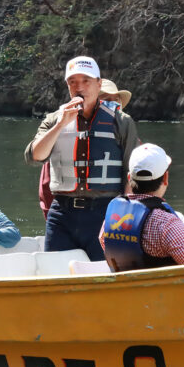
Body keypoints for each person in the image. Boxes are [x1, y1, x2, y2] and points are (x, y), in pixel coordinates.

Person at [25, 56, 139, 260]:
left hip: (105, 212)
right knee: (55, 275)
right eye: (73, 82)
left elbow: (131, 175)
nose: (79, 87)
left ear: (98, 84)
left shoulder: (122, 122)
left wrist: (126, 218)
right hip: (62, 213)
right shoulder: (53, 119)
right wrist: (60, 125)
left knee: (104, 276)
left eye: (86, 81)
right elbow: (35, 157)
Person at [99, 144, 184, 272]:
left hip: (126, 289)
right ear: (166, 178)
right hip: (161, 290)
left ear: (129, 178)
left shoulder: (109, 220)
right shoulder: (166, 223)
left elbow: (104, 242)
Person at [38, 77, 133, 219]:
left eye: (117, 100)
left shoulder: (127, 135)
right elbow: (47, 185)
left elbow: (137, 183)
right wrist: (52, 217)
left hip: (114, 216)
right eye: (107, 99)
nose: (113, 105)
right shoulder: (64, 137)